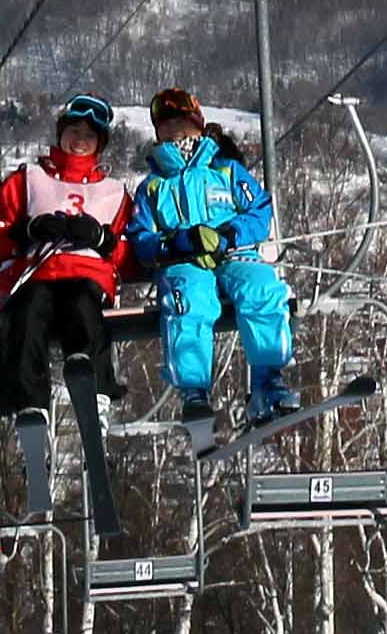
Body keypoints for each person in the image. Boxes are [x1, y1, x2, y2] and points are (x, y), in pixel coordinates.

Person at [0, 93, 135, 548]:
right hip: (36, 272)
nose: (79, 141)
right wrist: (27, 231)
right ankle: (30, 410)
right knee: (25, 316)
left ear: (100, 143)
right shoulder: (28, 180)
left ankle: (94, 393)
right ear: (61, 133)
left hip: (85, 275)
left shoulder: (114, 193)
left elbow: (131, 254)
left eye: (89, 136)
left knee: (84, 309)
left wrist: (100, 237)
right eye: (73, 132)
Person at [122, 86, 295, 436]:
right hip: (185, 261)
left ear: (199, 126)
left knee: (261, 288)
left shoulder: (227, 171)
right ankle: (194, 392)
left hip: (232, 253)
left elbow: (260, 210)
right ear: (158, 133)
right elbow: (141, 238)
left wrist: (229, 234)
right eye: (168, 126)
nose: (177, 132)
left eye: (184, 124)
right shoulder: (153, 187)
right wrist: (177, 243)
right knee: (189, 301)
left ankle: (267, 380)